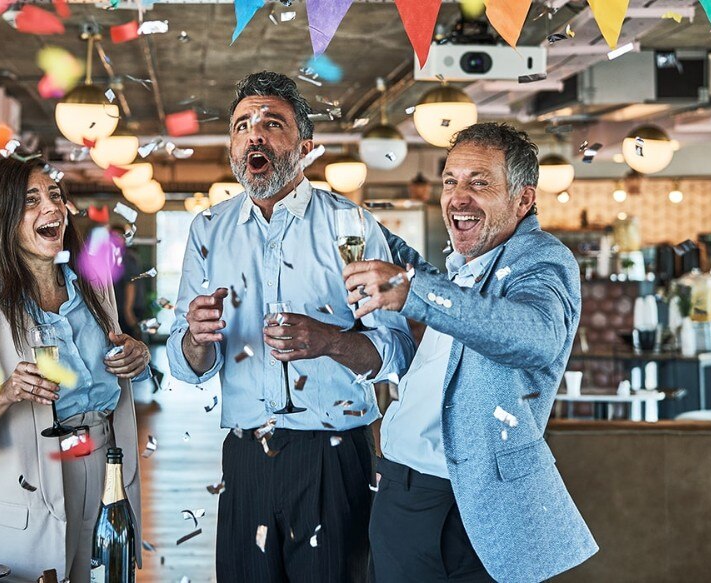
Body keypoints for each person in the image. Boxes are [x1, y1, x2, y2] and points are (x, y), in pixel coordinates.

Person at [167, 71, 415, 583]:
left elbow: (396, 350)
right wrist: (196, 337)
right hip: (245, 457)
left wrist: (329, 342)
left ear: (305, 147)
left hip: (333, 457)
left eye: (271, 124)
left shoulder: (352, 226)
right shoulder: (207, 230)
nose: (253, 136)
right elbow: (187, 365)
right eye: (242, 126)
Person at [343, 123, 598, 582]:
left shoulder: (541, 259)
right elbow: (417, 273)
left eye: (479, 183)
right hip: (398, 494)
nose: (458, 198)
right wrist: (343, 215)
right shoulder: (465, 266)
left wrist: (413, 291)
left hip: (467, 510)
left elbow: (536, 336)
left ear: (523, 199)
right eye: (450, 182)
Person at [0, 156, 151, 581]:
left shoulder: (96, 288)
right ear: (0, 219)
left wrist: (138, 358)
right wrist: (4, 395)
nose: (53, 207)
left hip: (106, 467)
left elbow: (118, 374)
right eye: (31, 200)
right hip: (27, 488)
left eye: (55, 195)